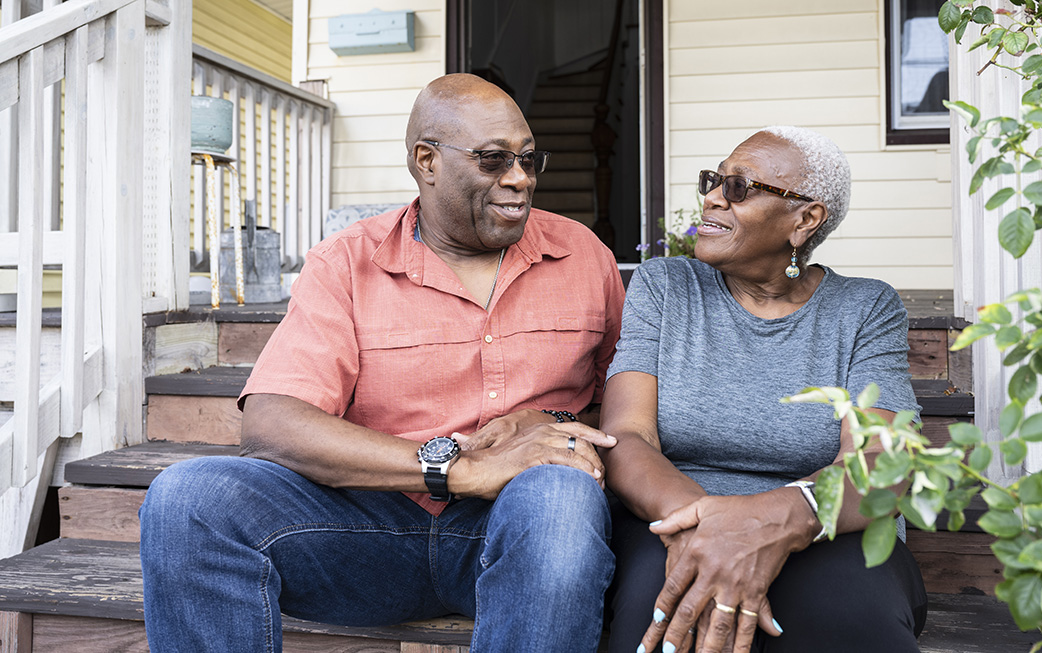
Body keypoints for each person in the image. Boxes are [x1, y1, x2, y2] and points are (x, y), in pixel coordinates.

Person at [138, 73, 626, 652]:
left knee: (560, 495)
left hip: (527, 533)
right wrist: (459, 471)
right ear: (427, 161)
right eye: (494, 160)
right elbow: (273, 421)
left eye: (528, 158)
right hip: (367, 530)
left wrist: (554, 422)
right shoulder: (346, 262)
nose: (520, 179)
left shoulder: (582, 255)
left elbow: (626, 406)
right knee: (188, 499)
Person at [600, 126, 928, 653]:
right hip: (675, 517)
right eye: (713, 181)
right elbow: (627, 435)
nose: (710, 197)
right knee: (659, 615)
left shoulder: (865, 308)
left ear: (805, 219)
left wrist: (765, 522)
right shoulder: (665, 287)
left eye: (738, 187)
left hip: (825, 527)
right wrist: (710, 525)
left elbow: (879, 467)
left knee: (851, 619)